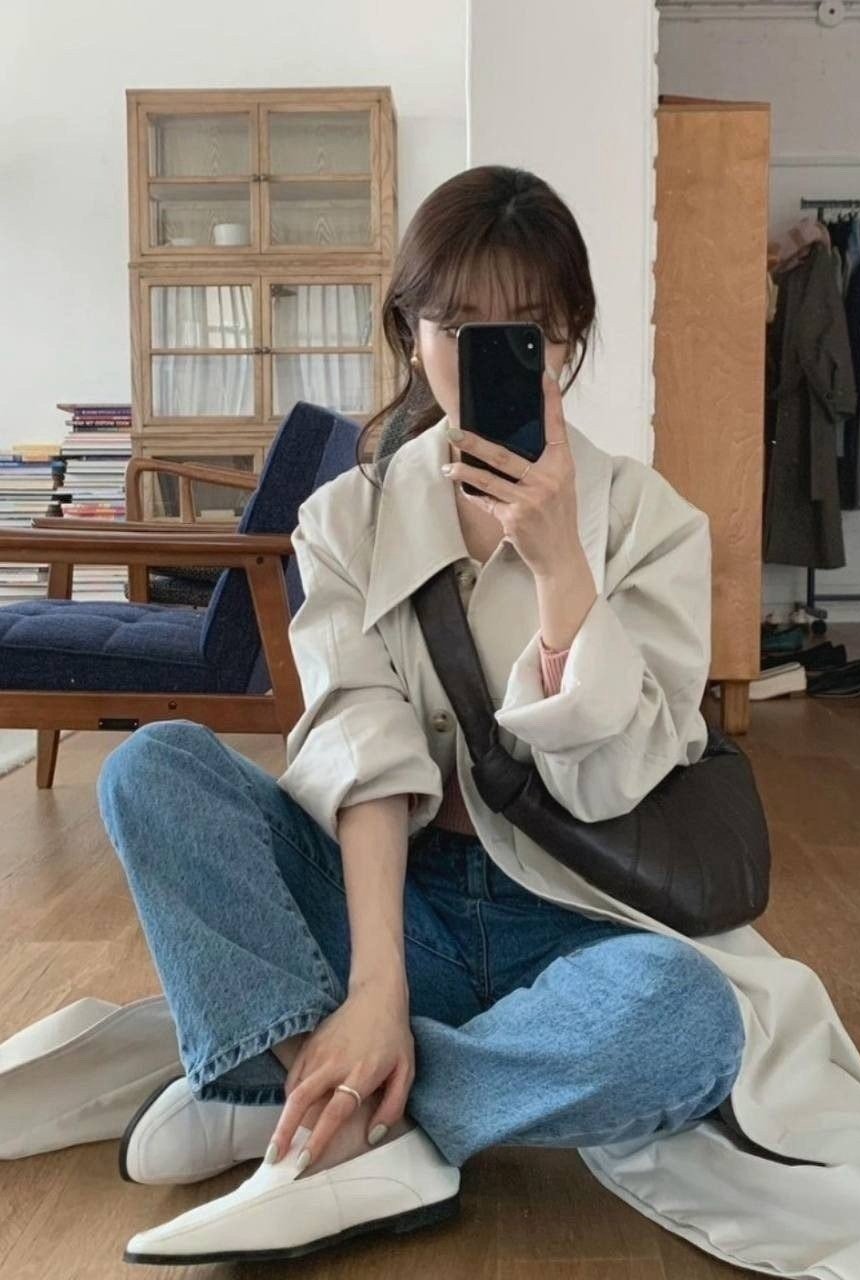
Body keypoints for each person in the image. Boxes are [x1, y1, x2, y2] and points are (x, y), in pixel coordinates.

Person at [97, 164, 744, 1267]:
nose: (487, 352)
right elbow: (360, 746)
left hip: (573, 920)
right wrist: (376, 986)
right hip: (388, 907)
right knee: (154, 767)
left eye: (524, 329)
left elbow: (615, 780)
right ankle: (350, 1065)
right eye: (456, 324)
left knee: (688, 1019)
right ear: (410, 332)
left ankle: (308, 1096)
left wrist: (561, 569)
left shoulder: (653, 522)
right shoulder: (343, 519)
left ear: (567, 336)